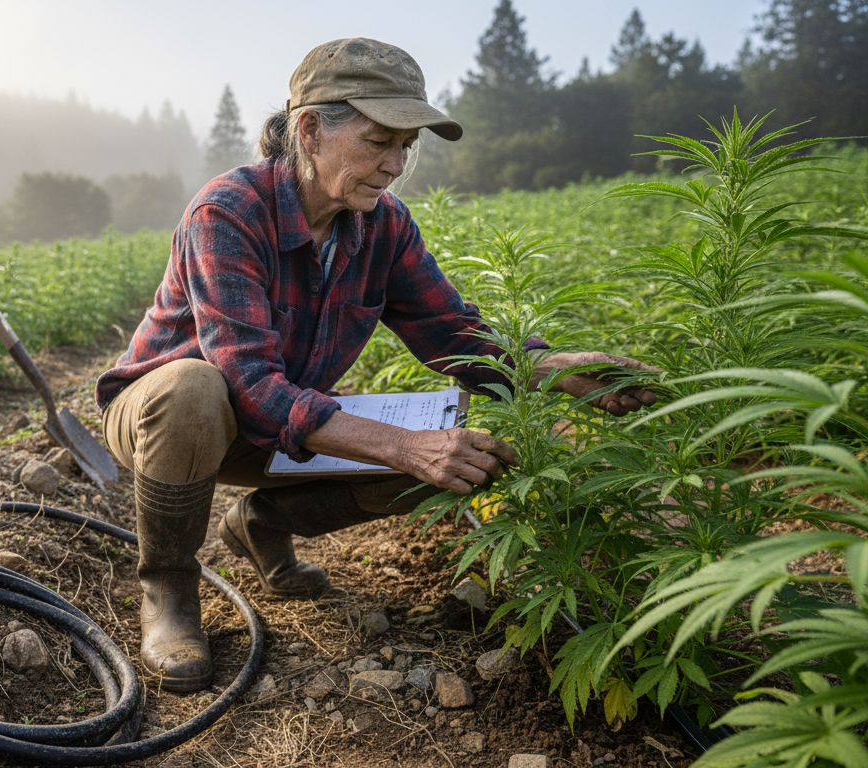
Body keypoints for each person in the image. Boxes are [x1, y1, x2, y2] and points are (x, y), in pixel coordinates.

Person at [94, 38, 655, 693]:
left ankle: (262, 524)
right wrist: (404, 446)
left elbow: (453, 333)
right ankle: (167, 588)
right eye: (378, 141)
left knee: (458, 447)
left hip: (274, 428)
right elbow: (248, 384)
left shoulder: (383, 226)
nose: (394, 164)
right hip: (171, 423)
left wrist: (552, 370)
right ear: (309, 130)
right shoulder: (228, 211)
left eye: (406, 146)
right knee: (195, 388)